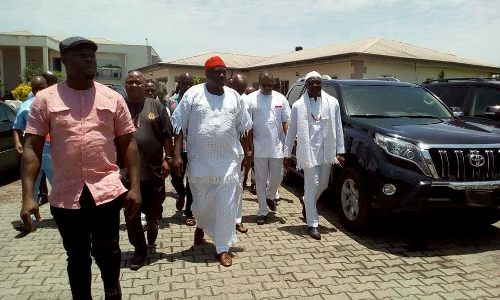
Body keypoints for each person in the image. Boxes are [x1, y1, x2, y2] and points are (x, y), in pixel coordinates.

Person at [20, 36, 141, 299]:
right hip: (66, 195)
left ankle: (112, 292)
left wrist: (135, 187)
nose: (89, 58)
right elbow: (31, 148)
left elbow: (128, 143)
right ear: (64, 61)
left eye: (91, 54)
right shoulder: (45, 100)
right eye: (80, 54)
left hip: (106, 192)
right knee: (76, 256)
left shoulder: (113, 98)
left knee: (109, 250)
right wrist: (28, 195)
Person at [172, 56, 252, 267]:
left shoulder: (235, 96)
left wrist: (247, 154)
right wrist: (177, 155)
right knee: (201, 202)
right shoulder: (193, 94)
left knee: (225, 202)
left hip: (228, 160)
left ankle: (222, 246)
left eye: (224, 71)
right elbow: (179, 125)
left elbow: (244, 127)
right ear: (206, 74)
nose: (222, 75)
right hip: (200, 161)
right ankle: (202, 225)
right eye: (217, 71)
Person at [284, 71, 345, 240]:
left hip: (327, 151)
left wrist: (340, 151)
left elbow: (338, 127)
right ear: (306, 85)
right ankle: (312, 223)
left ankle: (306, 200)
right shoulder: (297, 105)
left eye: (318, 82)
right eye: (311, 82)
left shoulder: (333, 103)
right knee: (312, 185)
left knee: (324, 184)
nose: (315, 85)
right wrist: (287, 153)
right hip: (308, 151)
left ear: (321, 84)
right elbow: (291, 132)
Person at [123, 71, 174, 270]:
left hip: (152, 171)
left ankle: (153, 224)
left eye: (138, 82)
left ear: (145, 85)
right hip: (126, 173)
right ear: (125, 85)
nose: (134, 85)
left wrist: (168, 159)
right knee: (131, 215)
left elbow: (166, 135)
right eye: (131, 82)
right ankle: (139, 249)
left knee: (153, 212)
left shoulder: (157, 106)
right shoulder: (119, 107)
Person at [247, 71, 290, 225]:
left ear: (274, 84)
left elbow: (286, 121)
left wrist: (290, 142)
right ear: (259, 84)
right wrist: (250, 148)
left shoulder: (281, 99)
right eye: (264, 85)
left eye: (270, 85)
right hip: (259, 147)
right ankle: (262, 211)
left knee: (278, 177)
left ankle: (270, 196)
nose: (267, 88)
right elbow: (248, 126)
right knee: (260, 180)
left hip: (277, 146)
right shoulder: (251, 99)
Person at [12, 76, 51, 222]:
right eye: (36, 88)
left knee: (60, 184)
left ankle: (68, 216)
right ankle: (26, 219)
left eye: (42, 87)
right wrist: (17, 142)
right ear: (32, 89)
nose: (39, 91)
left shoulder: (54, 104)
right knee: (31, 185)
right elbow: (16, 127)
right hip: (33, 152)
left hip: (52, 152)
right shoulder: (25, 106)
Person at [167, 73, 196, 226]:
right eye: (184, 83)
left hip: (193, 147)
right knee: (175, 177)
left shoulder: (197, 101)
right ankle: (181, 193)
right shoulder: (171, 102)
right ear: (179, 83)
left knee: (191, 180)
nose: (187, 86)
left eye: (190, 83)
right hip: (177, 147)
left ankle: (189, 211)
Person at [230, 73, 250, 234]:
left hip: (237, 152)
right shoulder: (222, 97)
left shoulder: (242, 101)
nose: (240, 92)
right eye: (237, 88)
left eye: (242, 90)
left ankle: (237, 220)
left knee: (237, 187)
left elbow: (246, 130)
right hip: (218, 153)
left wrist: (247, 152)